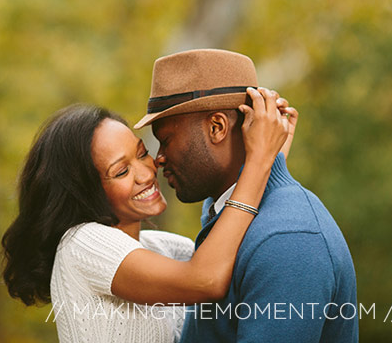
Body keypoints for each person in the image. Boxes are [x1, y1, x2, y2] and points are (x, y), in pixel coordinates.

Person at [1, 85, 293, 343]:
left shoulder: (162, 247)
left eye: (141, 153)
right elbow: (207, 279)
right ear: (85, 192)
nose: (146, 173)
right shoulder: (81, 244)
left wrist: (273, 155)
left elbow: (233, 253)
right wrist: (259, 160)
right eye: (122, 171)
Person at [134, 48, 358, 342]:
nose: (159, 158)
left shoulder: (289, 239)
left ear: (217, 127)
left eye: (166, 140)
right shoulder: (227, 211)